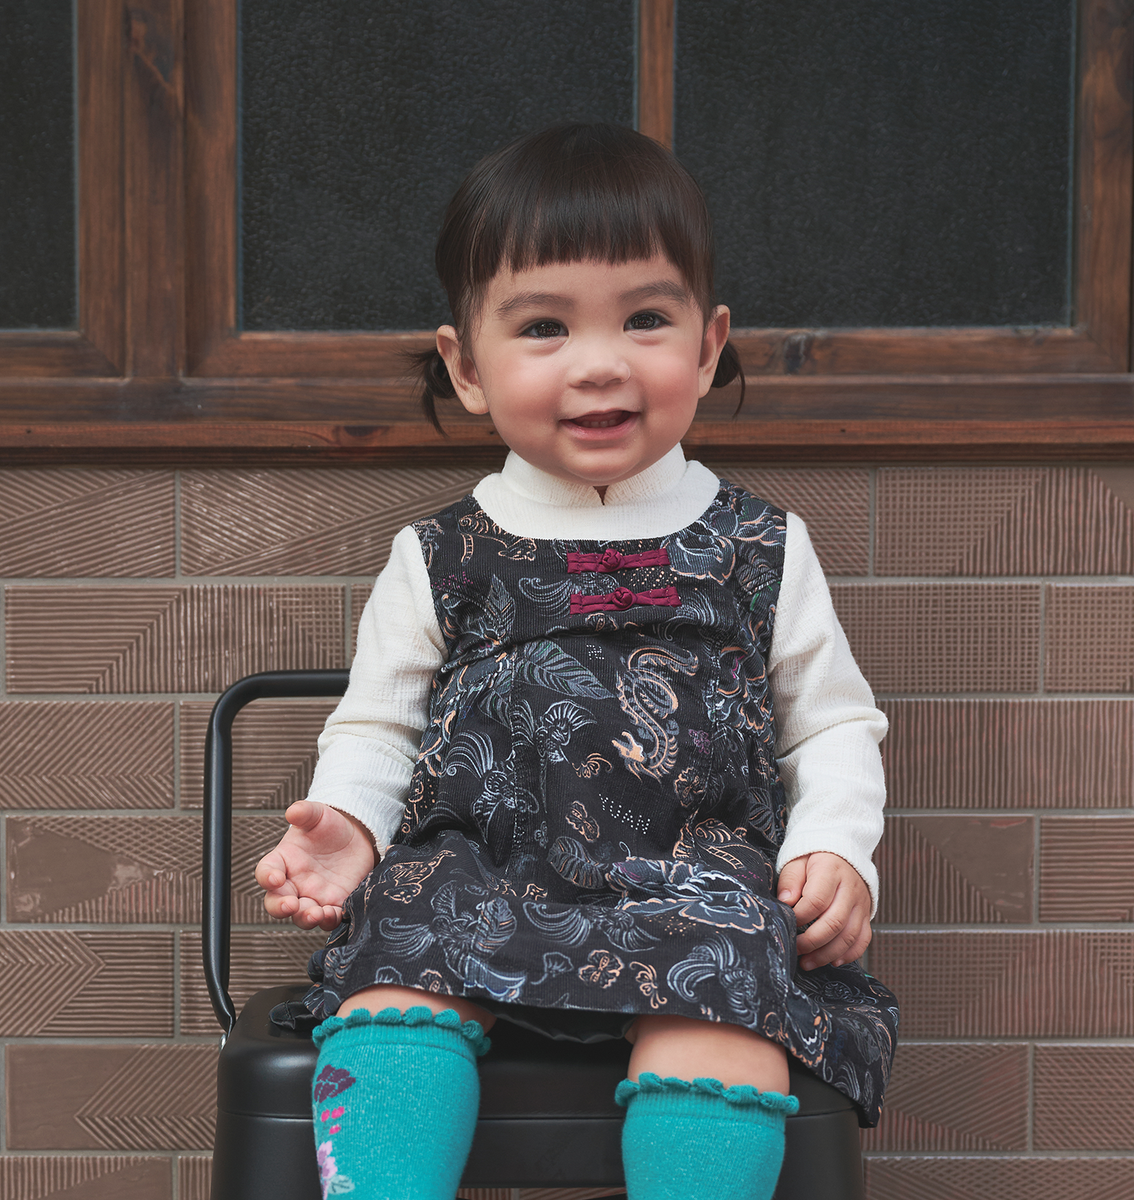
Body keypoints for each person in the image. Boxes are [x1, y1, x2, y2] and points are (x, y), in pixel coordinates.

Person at [256, 122, 897, 1200]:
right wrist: (348, 827)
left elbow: (831, 724)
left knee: (731, 978)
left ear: (707, 344)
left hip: (695, 878)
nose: (601, 362)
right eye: (544, 327)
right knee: (397, 950)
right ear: (466, 365)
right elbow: (377, 726)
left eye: (646, 319)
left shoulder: (761, 548)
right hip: (486, 870)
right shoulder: (440, 556)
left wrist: (839, 848)